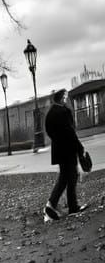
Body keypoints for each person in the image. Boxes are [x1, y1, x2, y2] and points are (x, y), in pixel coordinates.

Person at [43, 88, 87, 221]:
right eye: (66, 97)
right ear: (62, 98)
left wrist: (58, 141)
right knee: (72, 176)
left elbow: (49, 131)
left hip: (59, 150)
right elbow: (70, 132)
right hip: (68, 149)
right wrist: (80, 148)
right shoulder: (64, 111)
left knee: (64, 178)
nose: (67, 99)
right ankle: (71, 206)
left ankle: (51, 205)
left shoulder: (50, 113)